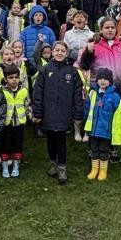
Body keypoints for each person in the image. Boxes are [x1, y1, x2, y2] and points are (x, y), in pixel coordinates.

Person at [31, 41, 85, 185]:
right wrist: (37, 112)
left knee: (61, 141)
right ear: (52, 52)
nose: (60, 53)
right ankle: (53, 163)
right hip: (48, 113)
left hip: (64, 113)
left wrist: (77, 114)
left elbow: (78, 94)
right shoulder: (44, 70)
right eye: (57, 50)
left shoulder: (72, 72)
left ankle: (62, 167)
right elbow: (37, 93)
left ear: (66, 53)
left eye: (63, 51)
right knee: (50, 140)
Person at [84, 68, 121, 181]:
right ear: (96, 80)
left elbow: (118, 115)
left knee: (103, 150)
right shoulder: (92, 93)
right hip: (93, 129)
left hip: (106, 130)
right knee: (94, 150)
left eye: (106, 79)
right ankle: (94, 169)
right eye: (100, 79)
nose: (102, 81)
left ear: (110, 81)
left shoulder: (115, 96)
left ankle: (103, 170)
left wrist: (115, 131)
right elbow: (87, 109)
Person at [0, 67, 31, 178]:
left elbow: (28, 105)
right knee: (5, 145)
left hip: (19, 124)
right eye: (11, 78)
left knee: (18, 145)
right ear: (5, 79)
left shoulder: (24, 90)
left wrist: (30, 116)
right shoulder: (1, 90)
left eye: (16, 77)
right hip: (5, 124)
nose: (14, 80)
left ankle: (16, 166)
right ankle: (5, 167)